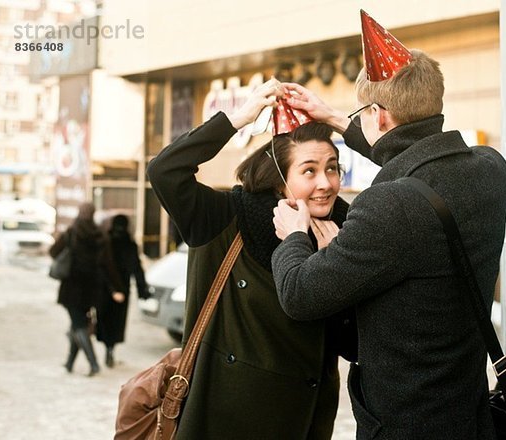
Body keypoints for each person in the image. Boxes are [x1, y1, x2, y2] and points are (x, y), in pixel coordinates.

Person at [270, 11, 506, 440]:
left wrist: (293, 236)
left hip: (406, 422)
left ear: (379, 115)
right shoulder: (491, 170)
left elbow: (299, 294)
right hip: (468, 409)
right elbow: (418, 156)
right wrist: (333, 117)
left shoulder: (388, 206)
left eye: (364, 112)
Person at [146, 78, 356, 439]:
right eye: (309, 170)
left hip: (304, 420)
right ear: (279, 180)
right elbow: (164, 171)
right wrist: (238, 119)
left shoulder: (346, 229)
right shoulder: (225, 217)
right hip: (223, 418)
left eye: (332, 168)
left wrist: (334, 268)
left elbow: (352, 344)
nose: (326, 183)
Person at [49, 202, 124, 376]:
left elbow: (53, 252)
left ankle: (94, 364)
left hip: (71, 288)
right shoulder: (101, 235)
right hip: (92, 290)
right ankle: (69, 363)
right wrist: (117, 287)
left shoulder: (70, 232)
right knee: (78, 324)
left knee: (78, 324)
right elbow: (108, 264)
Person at [96, 214, 149, 368]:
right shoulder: (130, 244)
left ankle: (107, 349)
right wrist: (142, 290)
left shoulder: (105, 241)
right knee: (116, 322)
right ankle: (111, 350)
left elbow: (99, 266)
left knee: (105, 320)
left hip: (104, 289)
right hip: (122, 289)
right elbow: (137, 269)